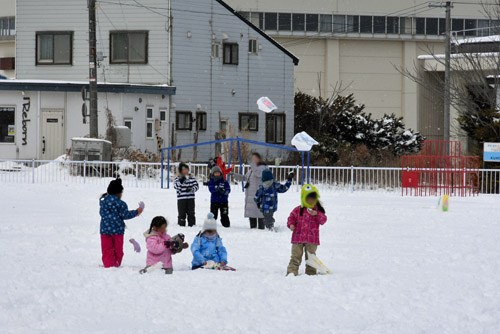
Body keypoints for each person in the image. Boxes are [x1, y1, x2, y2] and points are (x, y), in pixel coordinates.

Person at [99, 178, 144, 268]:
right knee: (118, 250)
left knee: (107, 249)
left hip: (105, 231)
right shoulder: (121, 204)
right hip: (118, 232)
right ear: (119, 193)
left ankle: (108, 264)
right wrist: (137, 211)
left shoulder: (103, 202)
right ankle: (115, 264)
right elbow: (125, 215)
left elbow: (102, 213)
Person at [286, 184, 327, 276]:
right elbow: (291, 218)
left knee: (311, 257)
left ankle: (311, 273)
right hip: (298, 238)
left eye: (313, 198)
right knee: (295, 257)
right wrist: (291, 224)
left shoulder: (317, 211)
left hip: (312, 239)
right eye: (309, 198)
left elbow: (323, 220)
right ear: (303, 198)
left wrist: (316, 214)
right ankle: (292, 272)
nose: (311, 201)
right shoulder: (298, 210)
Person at [232, 152, 267, 229]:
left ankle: (262, 228)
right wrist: (235, 175)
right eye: (252, 158)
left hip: (259, 195)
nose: (253, 160)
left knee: (260, 213)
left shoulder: (263, 168)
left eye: (255, 158)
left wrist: (253, 165)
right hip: (251, 195)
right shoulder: (251, 170)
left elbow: (259, 174)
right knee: (252, 213)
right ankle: (253, 227)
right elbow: (245, 178)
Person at [174, 162, 199, 227]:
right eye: (184, 170)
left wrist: (192, 189)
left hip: (190, 198)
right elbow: (176, 187)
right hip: (181, 199)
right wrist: (181, 181)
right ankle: (181, 224)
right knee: (182, 213)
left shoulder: (191, 178)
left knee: (191, 212)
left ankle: (192, 224)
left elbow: (196, 186)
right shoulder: (178, 179)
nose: (186, 171)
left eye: (187, 169)